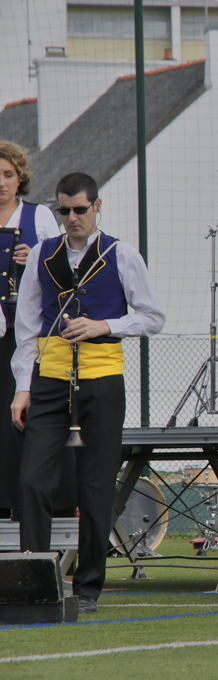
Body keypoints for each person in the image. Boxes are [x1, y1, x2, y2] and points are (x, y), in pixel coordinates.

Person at [11, 172, 165, 612]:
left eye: (81, 209)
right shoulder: (43, 253)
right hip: (50, 380)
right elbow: (27, 330)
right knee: (32, 482)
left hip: (101, 380)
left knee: (95, 486)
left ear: (98, 206)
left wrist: (105, 326)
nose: (73, 218)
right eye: (65, 210)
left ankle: (89, 588)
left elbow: (153, 317)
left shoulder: (120, 253)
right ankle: (33, 579)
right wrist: (23, 389)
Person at [0, 141, 62, 520]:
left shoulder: (37, 217)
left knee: (21, 416)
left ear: (20, 177)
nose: (1, 183)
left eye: (7, 175)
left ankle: (25, 502)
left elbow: (59, 267)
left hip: (25, 333)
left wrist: (33, 255)